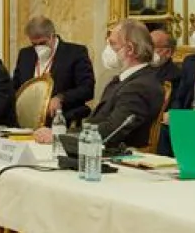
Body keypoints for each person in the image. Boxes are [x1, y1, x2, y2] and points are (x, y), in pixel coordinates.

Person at [34, 20, 160, 150]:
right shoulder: (123, 80)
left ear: (129, 49)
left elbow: (111, 131)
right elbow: (95, 124)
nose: (107, 49)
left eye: (112, 44)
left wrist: (59, 138)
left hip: (116, 158)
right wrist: (61, 135)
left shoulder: (140, 86)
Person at [11, 15, 95, 124]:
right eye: (34, 44)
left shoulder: (75, 53)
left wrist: (61, 98)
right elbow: (15, 86)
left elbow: (87, 89)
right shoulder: (25, 54)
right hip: (26, 118)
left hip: (59, 119)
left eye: (42, 43)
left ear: (52, 36)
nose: (38, 48)